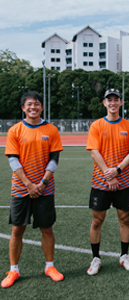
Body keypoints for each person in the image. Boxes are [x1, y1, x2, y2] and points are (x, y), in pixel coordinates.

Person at [2, 92, 64, 288]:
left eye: (37, 104)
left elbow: (54, 159)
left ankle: (50, 266)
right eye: (29, 104)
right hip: (21, 189)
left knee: (47, 229)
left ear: (42, 107)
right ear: (23, 108)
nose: (33, 107)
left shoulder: (51, 130)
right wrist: (29, 184)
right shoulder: (15, 130)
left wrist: (42, 183)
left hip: (45, 189)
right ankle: (13, 270)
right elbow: (13, 159)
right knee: (17, 229)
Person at [85, 89, 129, 275]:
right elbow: (94, 151)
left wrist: (117, 170)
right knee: (97, 220)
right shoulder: (96, 125)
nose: (113, 103)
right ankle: (95, 258)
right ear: (104, 103)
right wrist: (109, 175)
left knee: (124, 219)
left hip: (123, 181)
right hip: (100, 182)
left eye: (116, 99)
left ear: (121, 102)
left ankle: (124, 256)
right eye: (109, 100)